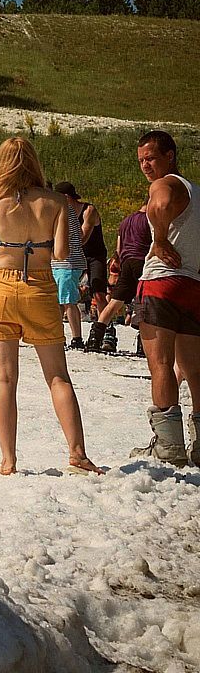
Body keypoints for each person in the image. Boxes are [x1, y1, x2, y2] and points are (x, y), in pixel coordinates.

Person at [0, 138, 99, 476]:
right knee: (57, 376)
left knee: (5, 379)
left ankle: (8, 460)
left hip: (2, 286)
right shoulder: (55, 202)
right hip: (39, 284)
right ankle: (77, 453)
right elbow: (63, 254)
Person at [129, 130, 200, 466]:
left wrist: (158, 238)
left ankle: (169, 447)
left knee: (160, 364)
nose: (146, 165)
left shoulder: (163, 184)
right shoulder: (195, 192)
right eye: (142, 159)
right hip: (193, 285)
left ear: (170, 155)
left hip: (161, 282)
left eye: (151, 158)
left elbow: (159, 204)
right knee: (194, 369)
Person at [87, 199, 149, 355]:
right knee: (145, 302)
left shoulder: (126, 221)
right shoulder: (150, 219)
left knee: (114, 302)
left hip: (126, 262)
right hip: (144, 261)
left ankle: (95, 338)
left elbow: (118, 247)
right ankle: (143, 345)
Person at [55, 181, 108, 322]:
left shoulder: (88, 210)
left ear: (66, 197)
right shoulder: (64, 213)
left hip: (94, 255)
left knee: (98, 294)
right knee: (63, 293)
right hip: (75, 255)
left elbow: (82, 238)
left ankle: (105, 328)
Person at [50, 182, 88, 350]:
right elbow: (80, 234)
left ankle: (76, 338)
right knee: (60, 300)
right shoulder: (69, 211)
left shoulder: (62, 211)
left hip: (66, 262)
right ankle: (59, 335)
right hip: (65, 263)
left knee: (67, 301)